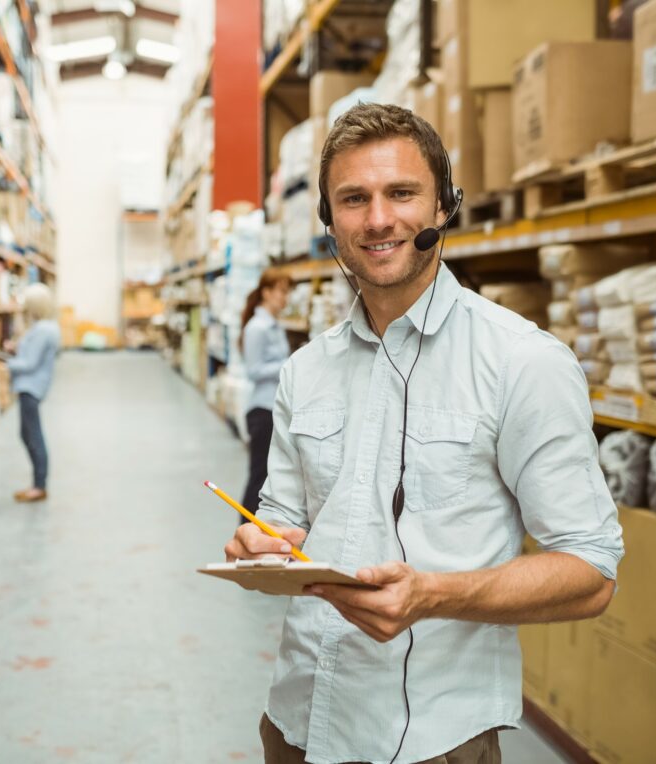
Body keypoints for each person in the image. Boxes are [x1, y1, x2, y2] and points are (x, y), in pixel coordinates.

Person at [225, 103, 624, 764]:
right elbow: (283, 517)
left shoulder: (522, 362)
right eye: (353, 199)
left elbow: (591, 571)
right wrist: (261, 541)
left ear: (443, 207)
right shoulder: (305, 371)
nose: (378, 219)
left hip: (432, 742)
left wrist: (436, 595)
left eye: (401, 193)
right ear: (328, 222)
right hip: (297, 721)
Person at [239, 268, 291, 522]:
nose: (286, 298)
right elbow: (254, 370)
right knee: (259, 476)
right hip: (262, 411)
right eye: (281, 291)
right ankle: (245, 528)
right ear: (266, 292)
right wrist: (289, 364)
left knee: (268, 476)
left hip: (273, 408)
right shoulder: (257, 328)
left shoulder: (273, 325)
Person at [7, 283, 60, 503]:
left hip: (31, 387)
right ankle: (37, 483)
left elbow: (29, 363)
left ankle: (39, 486)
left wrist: (5, 361)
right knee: (26, 434)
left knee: (33, 436)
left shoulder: (43, 329)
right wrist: (15, 349)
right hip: (30, 386)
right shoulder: (44, 327)